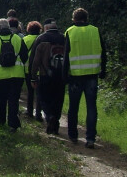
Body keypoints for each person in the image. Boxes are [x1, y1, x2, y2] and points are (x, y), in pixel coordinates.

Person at [63, 8, 107, 148]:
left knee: (73, 107)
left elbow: (66, 56)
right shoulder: (95, 30)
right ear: (86, 18)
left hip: (75, 76)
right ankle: (91, 138)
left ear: (74, 18)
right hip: (92, 75)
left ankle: (73, 135)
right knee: (91, 107)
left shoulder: (70, 31)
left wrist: (64, 75)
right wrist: (103, 69)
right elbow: (103, 52)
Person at [0, 18, 28, 132]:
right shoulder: (17, 38)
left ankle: (0, 121)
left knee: (1, 99)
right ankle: (13, 124)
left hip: (0, 76)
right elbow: (25, 56)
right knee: (14, 100)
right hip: (17, 75)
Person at [30, 21, 65, 134]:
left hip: (45, 75)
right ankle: (56, 122)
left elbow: (35, 60)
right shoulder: (64, 39)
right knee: (58, 100)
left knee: (43, 98)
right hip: (60, 76)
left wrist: (33, 76)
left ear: (46, 28)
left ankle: (49, 117)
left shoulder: (41, 39)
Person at [23, 21, 43, 121]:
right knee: (39, 93)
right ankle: (39, 114)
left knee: (30, 92)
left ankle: (29, 111)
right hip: (40, 70)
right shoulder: (42, 39)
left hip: (28, 70)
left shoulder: (25, 39)